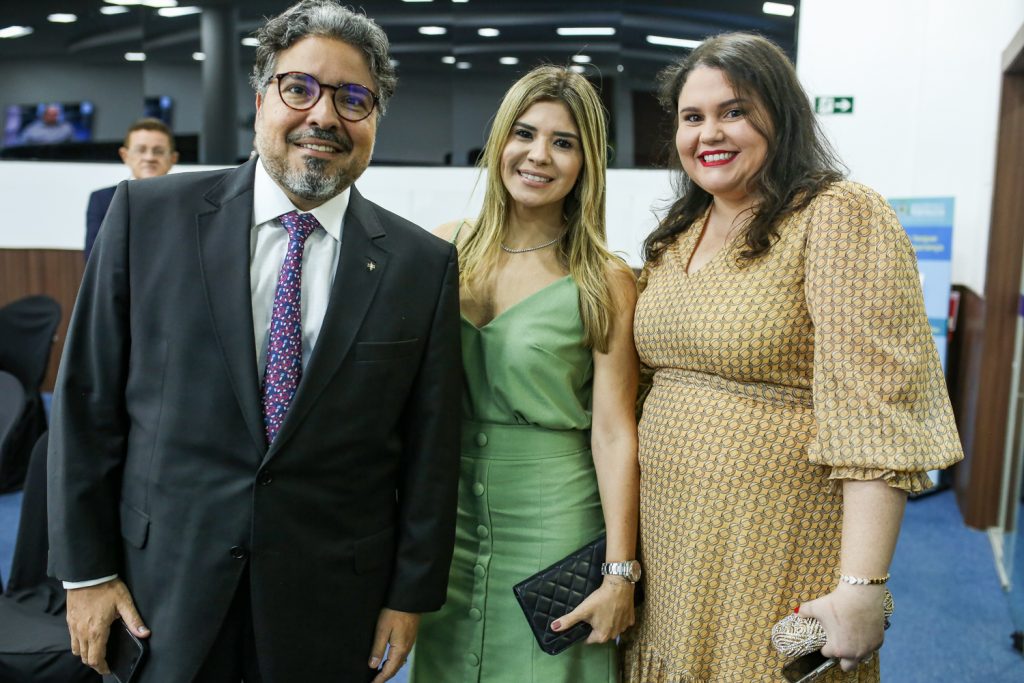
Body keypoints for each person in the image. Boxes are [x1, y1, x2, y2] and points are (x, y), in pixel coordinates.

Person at [47, 2, 461, 682]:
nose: (324, 117)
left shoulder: (421, 265)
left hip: (331, 603)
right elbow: (86, 403)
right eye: (300, 88)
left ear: (375, 118)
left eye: (354, 99)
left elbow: (429, 450)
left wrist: (408, 593)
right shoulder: (146, 220)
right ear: (262, 94)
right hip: (162, 588)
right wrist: (85, 572)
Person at [622, 33, 963, 682]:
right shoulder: (677, 233)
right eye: (692, 118)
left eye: (734, 111)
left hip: (773, 538)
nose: (709, 133)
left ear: (782, 114)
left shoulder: (835, 215)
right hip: (669, 540)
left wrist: (863, 582)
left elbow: (876, 412)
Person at [410, 65, 641, 683]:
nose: (539, 155)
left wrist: (621, 570)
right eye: (525, 133)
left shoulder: (605, 281)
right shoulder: (441, 251)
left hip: (555, 516)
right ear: (498, 144)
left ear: (587, 162)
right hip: (448, 515)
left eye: (563, 143)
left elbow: (616, 432)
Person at [84, 118, 179, 261]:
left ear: (173, 158)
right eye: (141, 150)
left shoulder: (187, 200)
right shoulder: (102, 200)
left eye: (158, 151)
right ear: (125, 155)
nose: (149, 157)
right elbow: (95, 258)